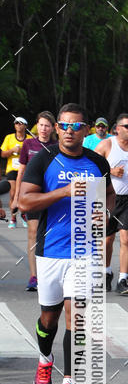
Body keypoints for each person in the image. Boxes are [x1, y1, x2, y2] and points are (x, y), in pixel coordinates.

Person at [19, 103, 114, 384]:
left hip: (84, 253)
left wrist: (104, 213)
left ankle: (70, 383)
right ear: (57, 128)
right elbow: (25, 202)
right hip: (51, 252)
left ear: (85, 131)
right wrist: (64, 192)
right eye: (64, 125)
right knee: (49, 318)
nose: (69, 131)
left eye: (76, 126)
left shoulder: (98, 163)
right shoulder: (43, 161)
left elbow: (109, 193)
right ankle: (45, 359)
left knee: (78, 317)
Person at [96, 113, 128, 295]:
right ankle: (107, 272)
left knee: (126, 237)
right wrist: (110, 171)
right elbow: (92, 168)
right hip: (108, 198)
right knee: (108, 240)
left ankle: (123, 279)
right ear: (117, 129)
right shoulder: (106, 145)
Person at [14, 111, 58, 291]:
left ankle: (49, 275)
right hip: (32, 195)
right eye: (41, 125)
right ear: (36, 126)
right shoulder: (28, 144)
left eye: (47, 125)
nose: (43, 129)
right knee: (33, 233)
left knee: (50, 236)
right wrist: (17, 198)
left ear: (52, 128)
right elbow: (21, 172)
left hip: (52, 196)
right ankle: (34, 276)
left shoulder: (58, 146)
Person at [1, 116, 28, 228]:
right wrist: (12, 150)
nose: (18, 125)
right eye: (16, 123)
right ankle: (13, 217)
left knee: (23, 193)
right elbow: (2, 154)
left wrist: (22, 152)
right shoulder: (9, 138)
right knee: (13, 193)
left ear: (26, 126)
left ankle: (23, 214)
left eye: (21, 123)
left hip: (25, 169)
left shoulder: (29, 139)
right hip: (12, 169)